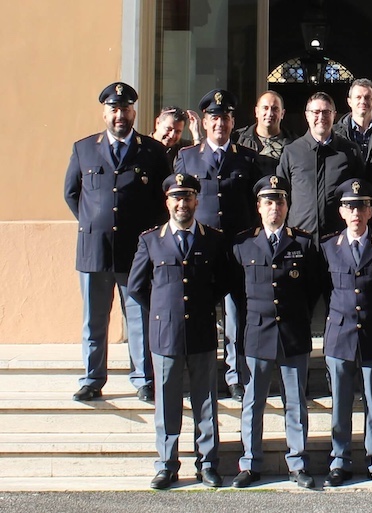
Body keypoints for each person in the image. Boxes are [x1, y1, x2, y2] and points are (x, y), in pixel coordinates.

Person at [64, 82, 170, 402]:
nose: (120, 115)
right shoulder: (84, 148)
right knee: (94, 319)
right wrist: (93, 222)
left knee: (139, 316)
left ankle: (143, 378)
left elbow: (162, 199)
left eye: (125, 109)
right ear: (104, 112)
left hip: (136, 252)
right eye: (114, 109)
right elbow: (71, 193)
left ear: (134, 112)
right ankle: (92, 379)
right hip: (94, 250)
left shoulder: (153, 151)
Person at [128, 173, 229, 489]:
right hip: (165, 334)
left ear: (197, 201)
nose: (182, 203)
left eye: (188, 197)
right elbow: (136, 287)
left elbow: (223, 283)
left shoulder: (212, 239)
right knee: (167, 402)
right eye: (176, 197)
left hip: (200, 329)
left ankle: (208, 463)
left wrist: (202, 306)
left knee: (205, 401)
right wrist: (161, 311)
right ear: (167, 201)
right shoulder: (151, 240)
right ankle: (167, 464)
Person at [230, 175, 320, 489]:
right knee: (253, 402)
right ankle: (250, 463)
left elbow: (313, 290)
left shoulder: (303, 243)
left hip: (293, 334)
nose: (275, 208)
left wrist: (297, 318)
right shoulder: (243, 244)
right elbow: (237, 294)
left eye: (280, 201)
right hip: (257, 333)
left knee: (295, 401)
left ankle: (297, 463)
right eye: (268, 202)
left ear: (287, 206)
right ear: (258, 207)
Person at [175, 88, 263, 402]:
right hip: (201, 248)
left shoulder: (248, 158)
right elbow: (178, 202)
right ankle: (199, 374)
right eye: (214, 118)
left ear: (232, 121)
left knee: (237, 315)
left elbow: (258, 203)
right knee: (198, 312)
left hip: (238, 250)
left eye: (225, 118)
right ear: (206, 122)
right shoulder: (187, 157)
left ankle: (236, 376)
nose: (219, 124)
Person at [320, 179, 372, 488]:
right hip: (339, 335)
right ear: (341, 212)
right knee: (340, 402)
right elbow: (321, 288)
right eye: (350, 206)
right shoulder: (328, 247)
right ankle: (339, 461)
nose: (356, 212)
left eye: (362, 206)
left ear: (370, 211)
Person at [276, 91, 365, 246]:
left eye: (326, 112)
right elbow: (282, 197)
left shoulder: (349, 151)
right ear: (307, 115)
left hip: (339, 239)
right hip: (300, 240)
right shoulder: (292, 152)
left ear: (334, 115)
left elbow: (362, 195)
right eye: (315, 112)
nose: (321, 117)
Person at [333, 78, 372, 166]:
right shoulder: (335, 134)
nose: (363, 101)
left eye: (367, 98)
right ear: (349, 102)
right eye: (358, 97)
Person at [235, 90, 296, 175]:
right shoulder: (238, 140)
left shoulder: (295, 144)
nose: (270, 113)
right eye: (265, 108)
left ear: (282, 114)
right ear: (256, 112)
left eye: (275, 109)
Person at [151, 106, 203, 172]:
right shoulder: (143, 146)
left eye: (178, 131)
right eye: (168, 129)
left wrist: (197, 135)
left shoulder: (185, 148)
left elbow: (202, 164)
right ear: (157, 123)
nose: (172, 135)